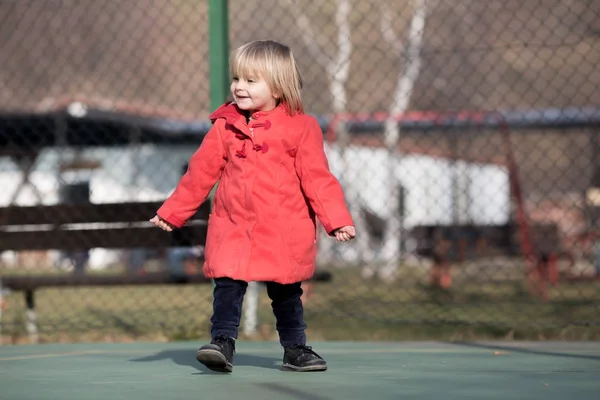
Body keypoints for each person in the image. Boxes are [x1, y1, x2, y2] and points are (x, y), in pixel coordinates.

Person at [150, 39, 356, 373]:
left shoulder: (301, 127)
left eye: (250, 80)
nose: (239, 87)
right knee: (228, 284)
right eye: (236, 79)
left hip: (283, 230)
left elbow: (318, 178)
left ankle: (295, 349)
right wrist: (173, 212)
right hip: (234, 226)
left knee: (286, 293)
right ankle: (222, 343)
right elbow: (200, 173)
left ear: (278, 86)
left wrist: (336, 220)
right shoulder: (224, 126)